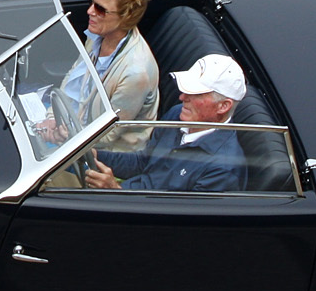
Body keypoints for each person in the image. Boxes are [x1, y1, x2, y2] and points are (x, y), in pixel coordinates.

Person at [39, 0, 159, 187]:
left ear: (125, 17)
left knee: (37, 182)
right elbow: (72, 83)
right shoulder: (97, 36)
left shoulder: (135, 73)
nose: (90, 11)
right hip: (73, 131)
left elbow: (106, 137)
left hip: (105, 160)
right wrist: (52, 118)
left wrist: (62, 134)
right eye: (91, 1)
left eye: (101, 9)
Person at [84, 53, 247, 192]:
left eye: (196, 94)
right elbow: (143, 162)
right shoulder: (178, 114)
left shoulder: (223, 170)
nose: (183, 97)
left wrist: (115, 192)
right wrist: (92, 154)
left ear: (223, 106)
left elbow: (179, 223)